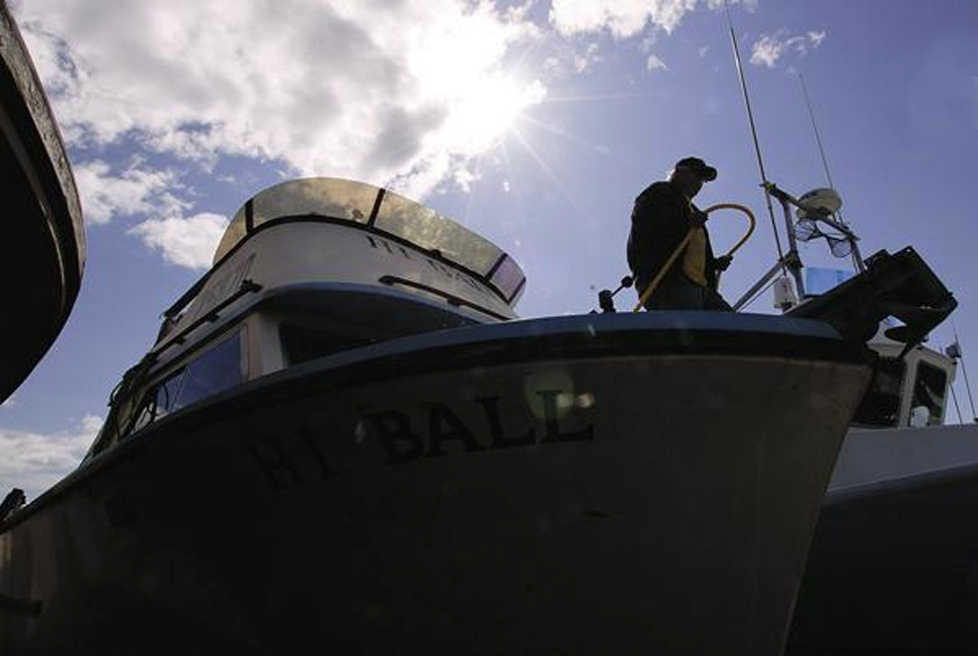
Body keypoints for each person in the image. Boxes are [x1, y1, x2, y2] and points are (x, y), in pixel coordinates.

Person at [627, 156, 733, 311]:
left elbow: (689, 249)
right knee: (695, 331)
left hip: (700, 289)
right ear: (679, 172)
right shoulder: (658, 193)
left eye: (702, 180)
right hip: (667, 285)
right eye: (697, 176)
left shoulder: (692, 208)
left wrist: (713, 264)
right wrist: (685, 223)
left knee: (729, 326)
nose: (699, 183)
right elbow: (650, 228)